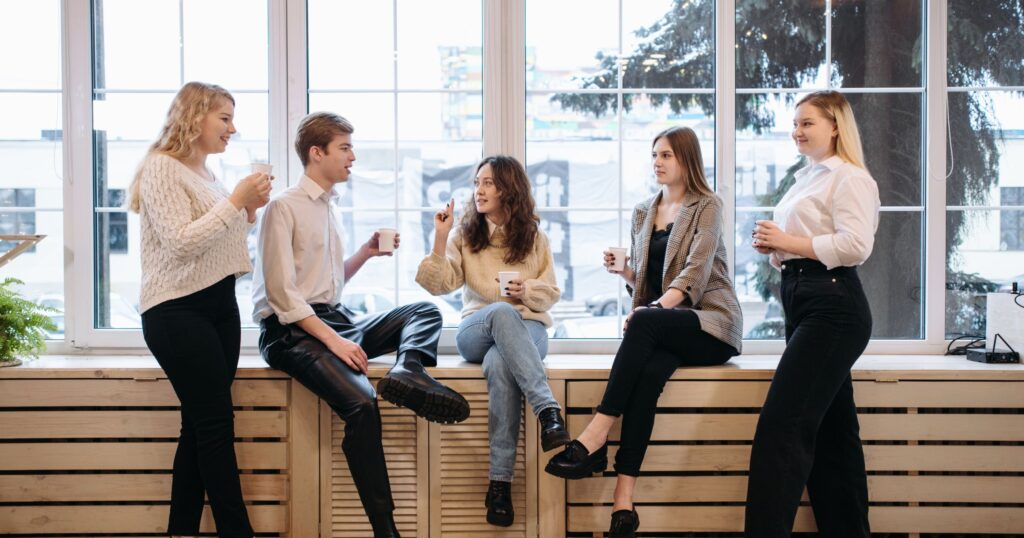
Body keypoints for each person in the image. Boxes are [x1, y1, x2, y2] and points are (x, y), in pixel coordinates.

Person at [252, 112, 470, 538]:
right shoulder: (283, 207)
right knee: (362, 404)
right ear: (317, 154)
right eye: (345, 148)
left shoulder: (329, 207)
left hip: (331, 317)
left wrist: (365, 254)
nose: (353, 156)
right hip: (289, 332)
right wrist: (334, 341)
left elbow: (324, 285)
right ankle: (385, 529)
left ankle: (409, 369)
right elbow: (283, 295)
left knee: (423, 312)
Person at [544, 126, 742, 538]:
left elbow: (695, 275)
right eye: (655, 154)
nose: (657, 162)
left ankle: (594, 436)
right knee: (648, 376)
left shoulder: (707, 205)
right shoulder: (642, 212)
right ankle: (623, 502)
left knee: (647, 321)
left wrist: (651, 311)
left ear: (687, 159)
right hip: (668, 325)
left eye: (667, 155)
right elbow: (649, 290)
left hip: (711, 323)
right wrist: (629, 274)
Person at [130, 81, 271, 538]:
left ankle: (181, 531)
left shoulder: (209, 177)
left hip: (218, 306)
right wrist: (236, 203)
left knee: (198, 426)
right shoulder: (161, 168)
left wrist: (245, 213)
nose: (233, 128)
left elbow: (218, 246)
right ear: (196, 117)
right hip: (176, 310)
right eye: (225, 118)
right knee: (214, 426)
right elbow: (181, 243)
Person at [746, 90, 879, 537]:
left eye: (808, 123)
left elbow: (855, 246)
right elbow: (801, 246)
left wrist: (787, 242)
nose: (797, 131)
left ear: (835, 126)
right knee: (833, 434)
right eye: (796, 123)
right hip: (803, 298)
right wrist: (774, 248)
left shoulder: (849, 178)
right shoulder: (807, 179)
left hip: (834, 306)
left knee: (781, 426)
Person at [415, 155, 569, 527]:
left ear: (508, 189)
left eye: (488, 183)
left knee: (501, 364)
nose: (479, 191)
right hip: (476, 330)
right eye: (477, 183)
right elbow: (439, 284)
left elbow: (550, 293)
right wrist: (439, 235)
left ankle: (499, 485)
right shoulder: (465, 235)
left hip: (528, 328)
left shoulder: (534, 237)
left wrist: (526, 288)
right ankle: (548, 411)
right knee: (501, 312)